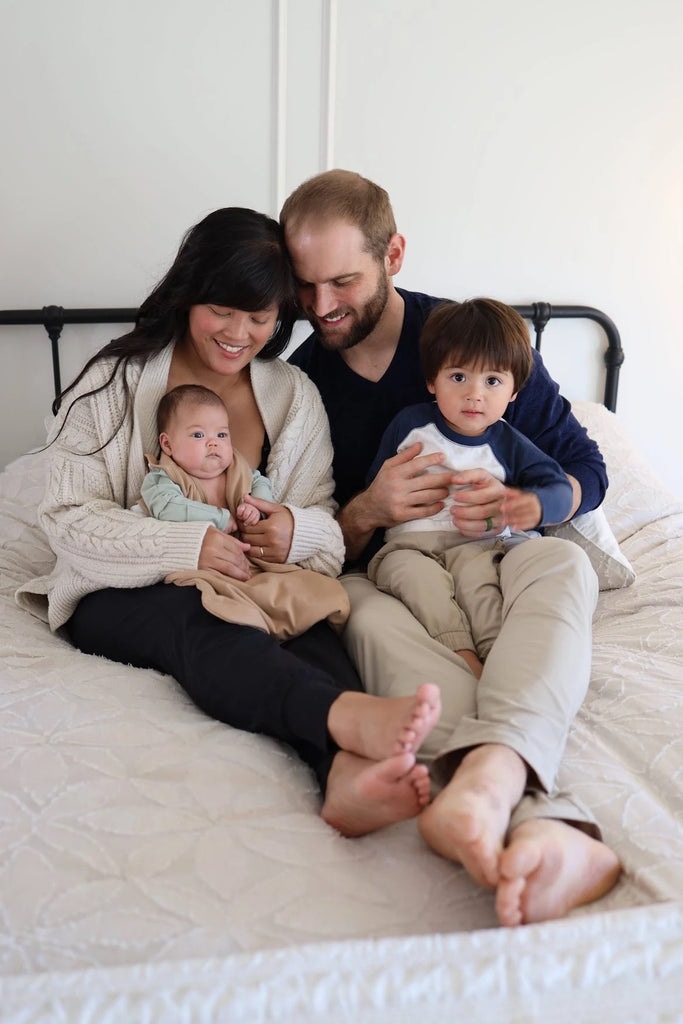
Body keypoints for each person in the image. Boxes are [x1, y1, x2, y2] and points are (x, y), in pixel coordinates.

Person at [17, 206, 442, 839]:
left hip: (258, 578)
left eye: (260, 315)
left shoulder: (294, 395)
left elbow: (321, 528)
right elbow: (69, 521)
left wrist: (295, 532)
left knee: (316, 621)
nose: (238, 332)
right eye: (222, 308)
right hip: (125, 589)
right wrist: (191, 543)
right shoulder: (115, 379)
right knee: (210, 621)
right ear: (189, 294)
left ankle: (343, 777)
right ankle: (346, 717)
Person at [281, 169, 621, 926]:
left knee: (562, 561)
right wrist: (365, 512)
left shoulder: (472, 343)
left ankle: (484, 776)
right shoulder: (297, 383)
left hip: (502, 550)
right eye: (303, 288)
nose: (321, 308)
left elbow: (587, 472)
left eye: (342, 281)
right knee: (359, 619)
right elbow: (303, 530)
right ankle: (532, 808)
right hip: (386, 572)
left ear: (393, 254)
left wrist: (528, 502)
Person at [367, 298, 575, 678]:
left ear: (515, 392)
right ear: (433, 380)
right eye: (459, 377)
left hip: (477, 546)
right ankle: (461, 655)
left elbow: (559, 487)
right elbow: (375, 488)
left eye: (492, 381)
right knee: (414, 580)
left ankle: (499, 657)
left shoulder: (509, 443)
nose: (474, 394)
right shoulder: (408, 426)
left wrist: (534, 505)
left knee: (481, 589)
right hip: (409, 546)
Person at [140, 382, 351, 640]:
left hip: (251, 560)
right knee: (214, 600)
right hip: (204, 567)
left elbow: (260, 482)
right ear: (168, 444)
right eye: (198, 435)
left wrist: (255, 506)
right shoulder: (164, 478)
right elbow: (167, 508)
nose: (213, 444)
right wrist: (220, 518)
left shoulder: (236, 470)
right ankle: (250, 627)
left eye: (221, 435)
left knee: (303, 587)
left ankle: (295, 618)